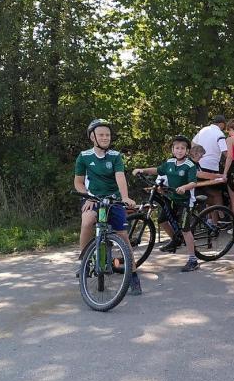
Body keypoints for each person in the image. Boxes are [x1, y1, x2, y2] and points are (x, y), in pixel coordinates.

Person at [73, 119, 142, 295]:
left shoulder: (116, 156)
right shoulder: (84, 156)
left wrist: (125, 197)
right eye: (101, 135)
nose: (105, 137)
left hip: (113, 199)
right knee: (87, 221)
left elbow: (120, 177)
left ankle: (133, 275)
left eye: (108, 135)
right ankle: (86, 262)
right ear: (92, 137)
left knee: (123, 237)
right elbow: (79, 182)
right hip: (92, 199)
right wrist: (87, 196)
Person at [132, 136, 202, 272]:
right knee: (162, 220)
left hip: (185, 201)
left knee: (185, 229)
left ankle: (193, 260)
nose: (180, 151)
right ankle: (175, 240)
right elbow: (158, 170)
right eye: (177, 148)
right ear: (172, 150)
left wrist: (185, 188)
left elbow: (193, 182)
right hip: (172, 198)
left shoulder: (190, 165)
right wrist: (142, 170)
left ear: (187, 151)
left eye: (183, 148)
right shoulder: (169, 163)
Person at [192, 115, 228, 209]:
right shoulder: (219, 134)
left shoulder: (203, 130)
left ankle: (210, 220)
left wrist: (197, 156)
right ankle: (220, 217)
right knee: (216, 194)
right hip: (212, 167)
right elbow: (225, 152)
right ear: (221, 124)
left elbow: (193, 143)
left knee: (205, 194)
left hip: (200, 165)